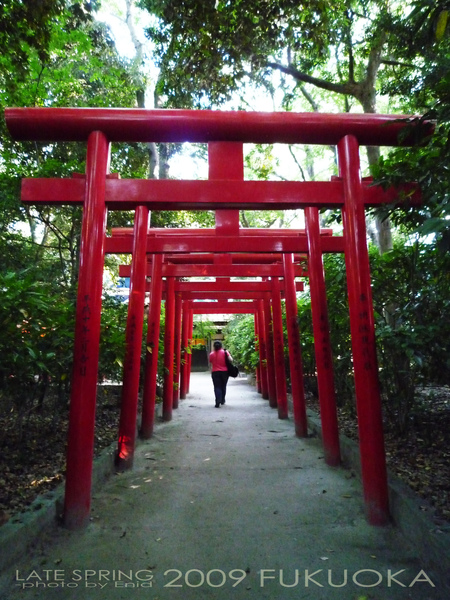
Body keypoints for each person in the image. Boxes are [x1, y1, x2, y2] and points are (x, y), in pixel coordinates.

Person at [209, 340, 232, 408]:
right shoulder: (225, 352)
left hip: (215, 372)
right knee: (223, 386)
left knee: (217, 386)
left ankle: (217, 400)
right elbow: (231, 360)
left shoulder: (211, 354)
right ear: (221, 345)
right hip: (224, 372)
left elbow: (210, 362)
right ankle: (222, 400)